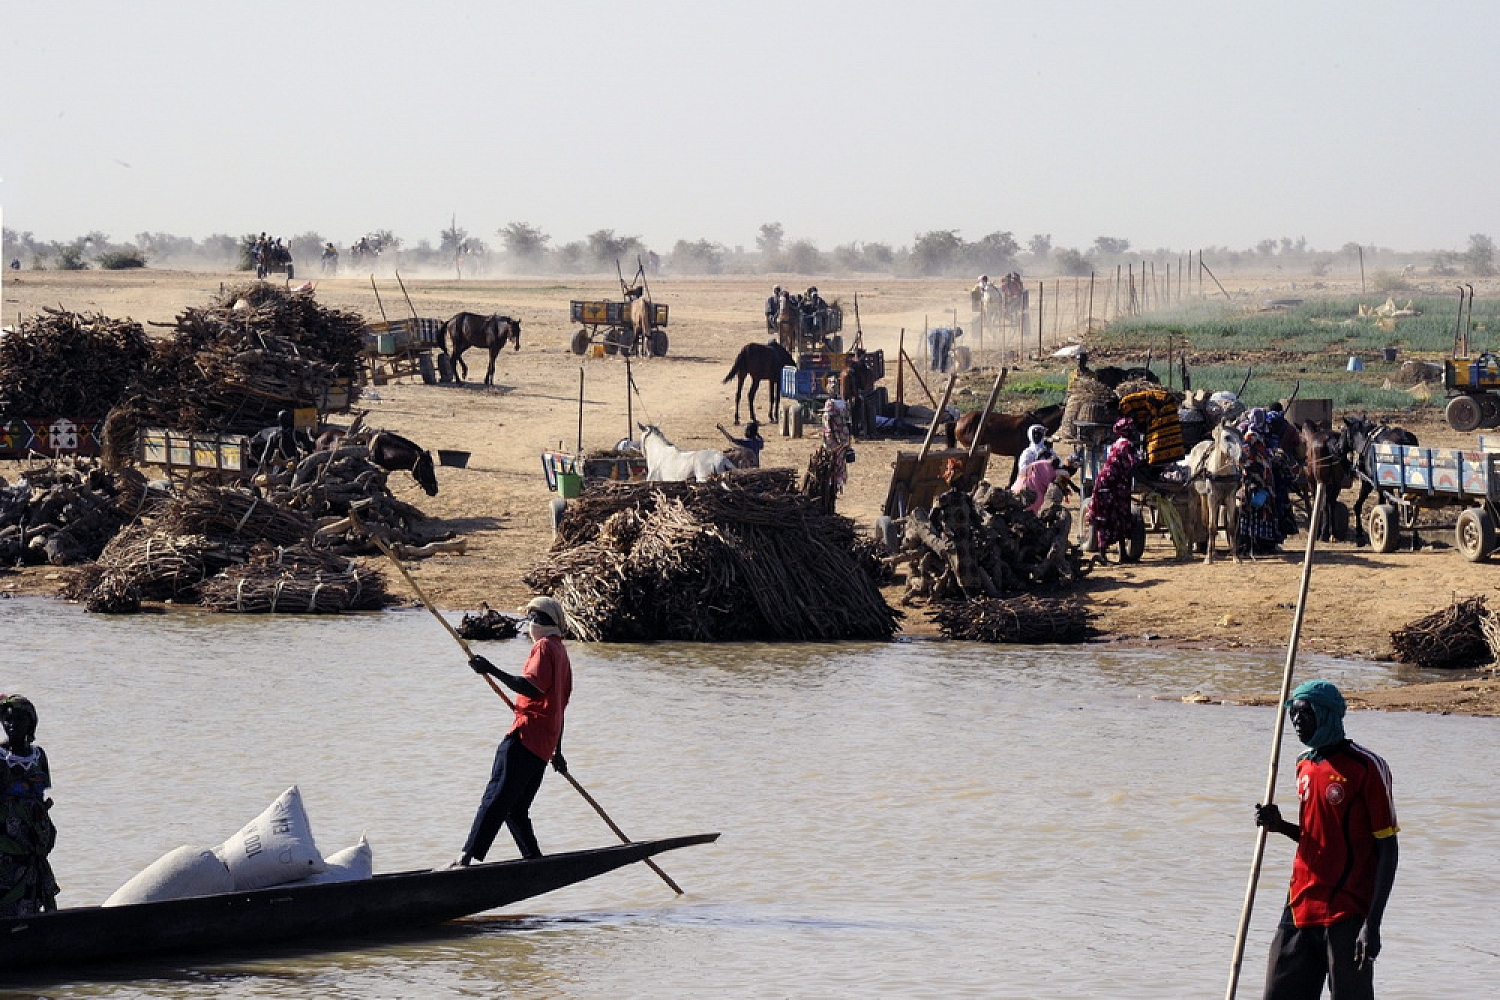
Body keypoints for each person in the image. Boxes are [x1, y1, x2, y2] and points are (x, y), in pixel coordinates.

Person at [1255, 680, 1399, 1000]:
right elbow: (1314, 837)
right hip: (1300, 905)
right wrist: (1279, 826)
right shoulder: (1303, 764)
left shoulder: (1366, 767)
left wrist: (1372, 924)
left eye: (1304, 714)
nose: (1295, 721)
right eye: (1292, 713)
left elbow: (1387, 848)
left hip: (1347, 911)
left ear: (1327, 714)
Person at [455, 596, 573, 866]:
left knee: (495, 798)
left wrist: (489, 669)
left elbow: (531, 686)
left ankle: (465, 857)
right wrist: (557, 750)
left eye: (532, 619)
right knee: (515, 809)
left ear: (537, 621)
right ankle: (534, 861)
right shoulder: (562, 652)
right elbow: (559, 707)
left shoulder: (544, 647)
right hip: (543, 746)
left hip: (525, 737)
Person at [0, 695, 58, 917]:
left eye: (18, 720)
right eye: (6, 720)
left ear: (30, 723)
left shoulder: (38, 756)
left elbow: (40, 795)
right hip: (5, 836)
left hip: (32, 836)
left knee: (29, 894)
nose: (11, 725)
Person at [1086, 417, 1142, 559]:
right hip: (1111, 484)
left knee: (1120, 517)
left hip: (1113, 483)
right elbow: (1133, 463)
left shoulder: (1116, 443)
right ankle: (1103, 556)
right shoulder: (1126, 444)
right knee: (1108, 518)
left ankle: (1122, 554)